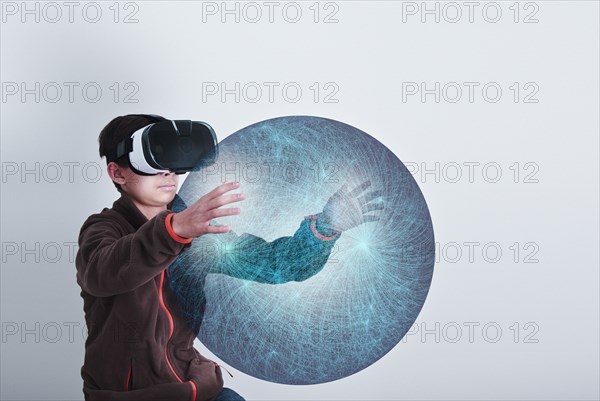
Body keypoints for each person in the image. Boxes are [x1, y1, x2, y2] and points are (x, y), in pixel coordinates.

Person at [75, 113, 382, 401]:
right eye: (151, 159)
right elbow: (103, 272)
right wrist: (174, 230)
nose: (167, 171)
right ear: (117, 172)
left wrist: (326, 227)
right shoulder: (103, 229)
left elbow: (275, 263)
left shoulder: (196, 230)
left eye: (170, 157)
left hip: (195, 387)